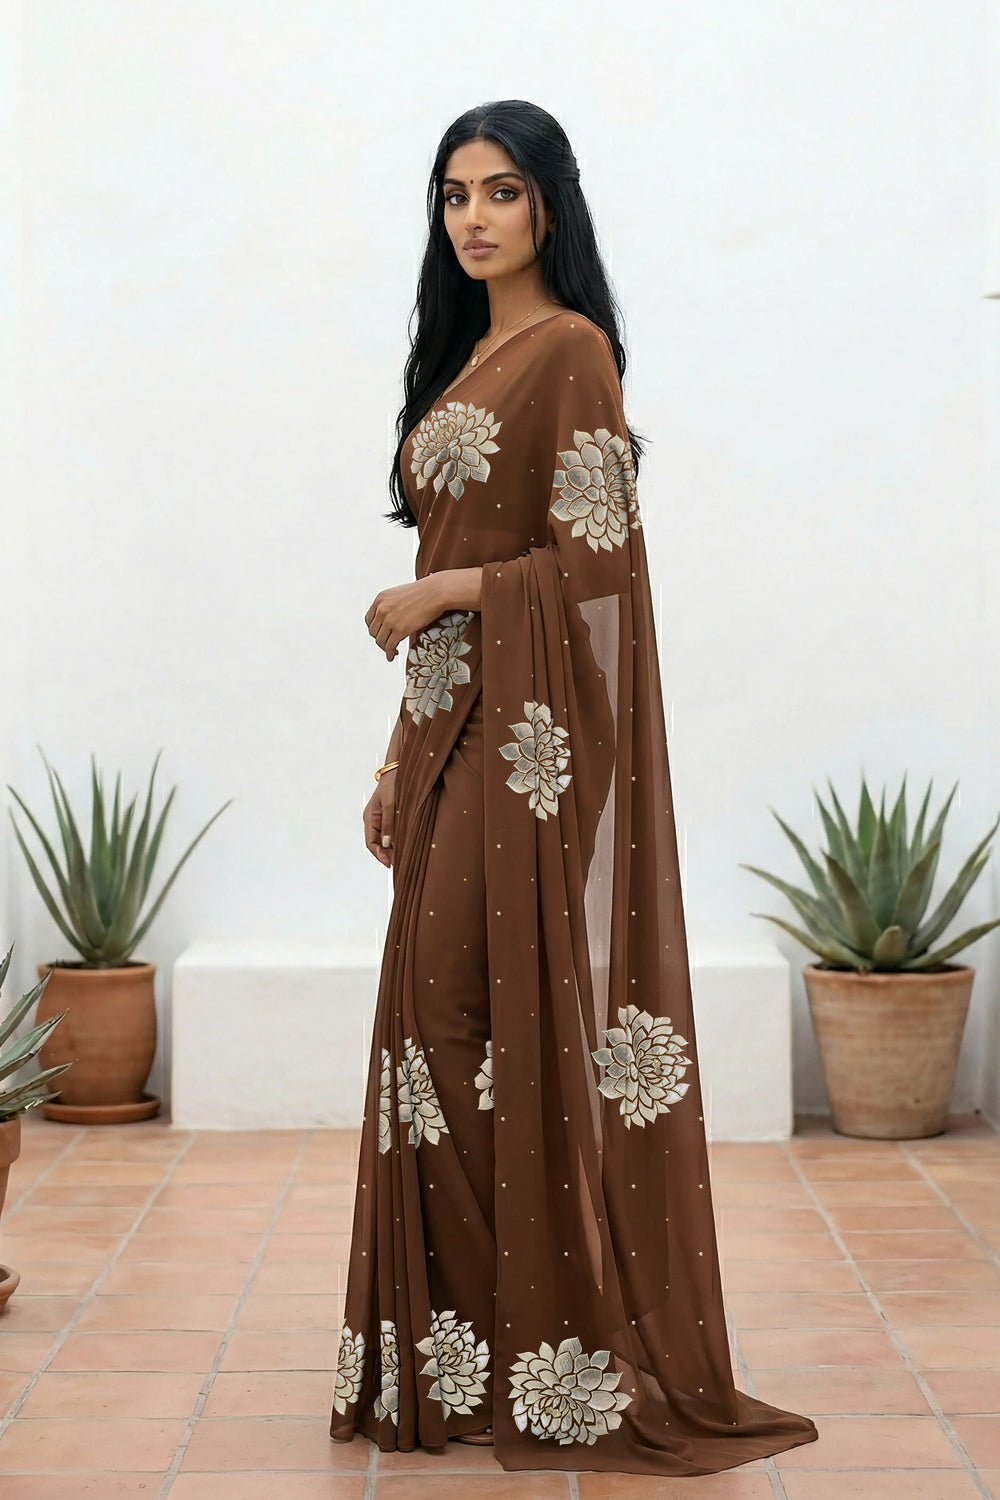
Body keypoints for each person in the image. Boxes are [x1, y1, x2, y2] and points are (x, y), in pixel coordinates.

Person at [329, 98, 819, 1477]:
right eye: (453, 194)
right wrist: (393, 756)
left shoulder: (572, 352)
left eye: (501, 190)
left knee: (460, 1018)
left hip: (524, 743)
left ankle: (550, 1349)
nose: (474, 217)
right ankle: (478, 1351)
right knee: (432, 1038)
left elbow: (598, 571)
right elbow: (461, 560)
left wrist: (449, 590)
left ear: (551, 203)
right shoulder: (465, 358)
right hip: (443, 734)